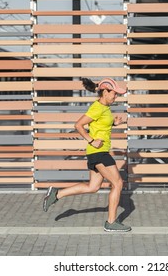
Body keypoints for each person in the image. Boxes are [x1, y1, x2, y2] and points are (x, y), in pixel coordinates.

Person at [43, 77, 131, 232]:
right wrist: (91, 140)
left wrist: (114, 123)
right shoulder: (97, 107)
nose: (116, 97)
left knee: (93, 187)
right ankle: (111, 223)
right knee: (118, 184)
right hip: (99, 153)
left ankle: (57, 194)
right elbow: (78, 125)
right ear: (105, 92)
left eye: (117, 94)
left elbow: (100, 124)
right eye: (114, 94)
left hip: (97, 153)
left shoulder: (105, 108)